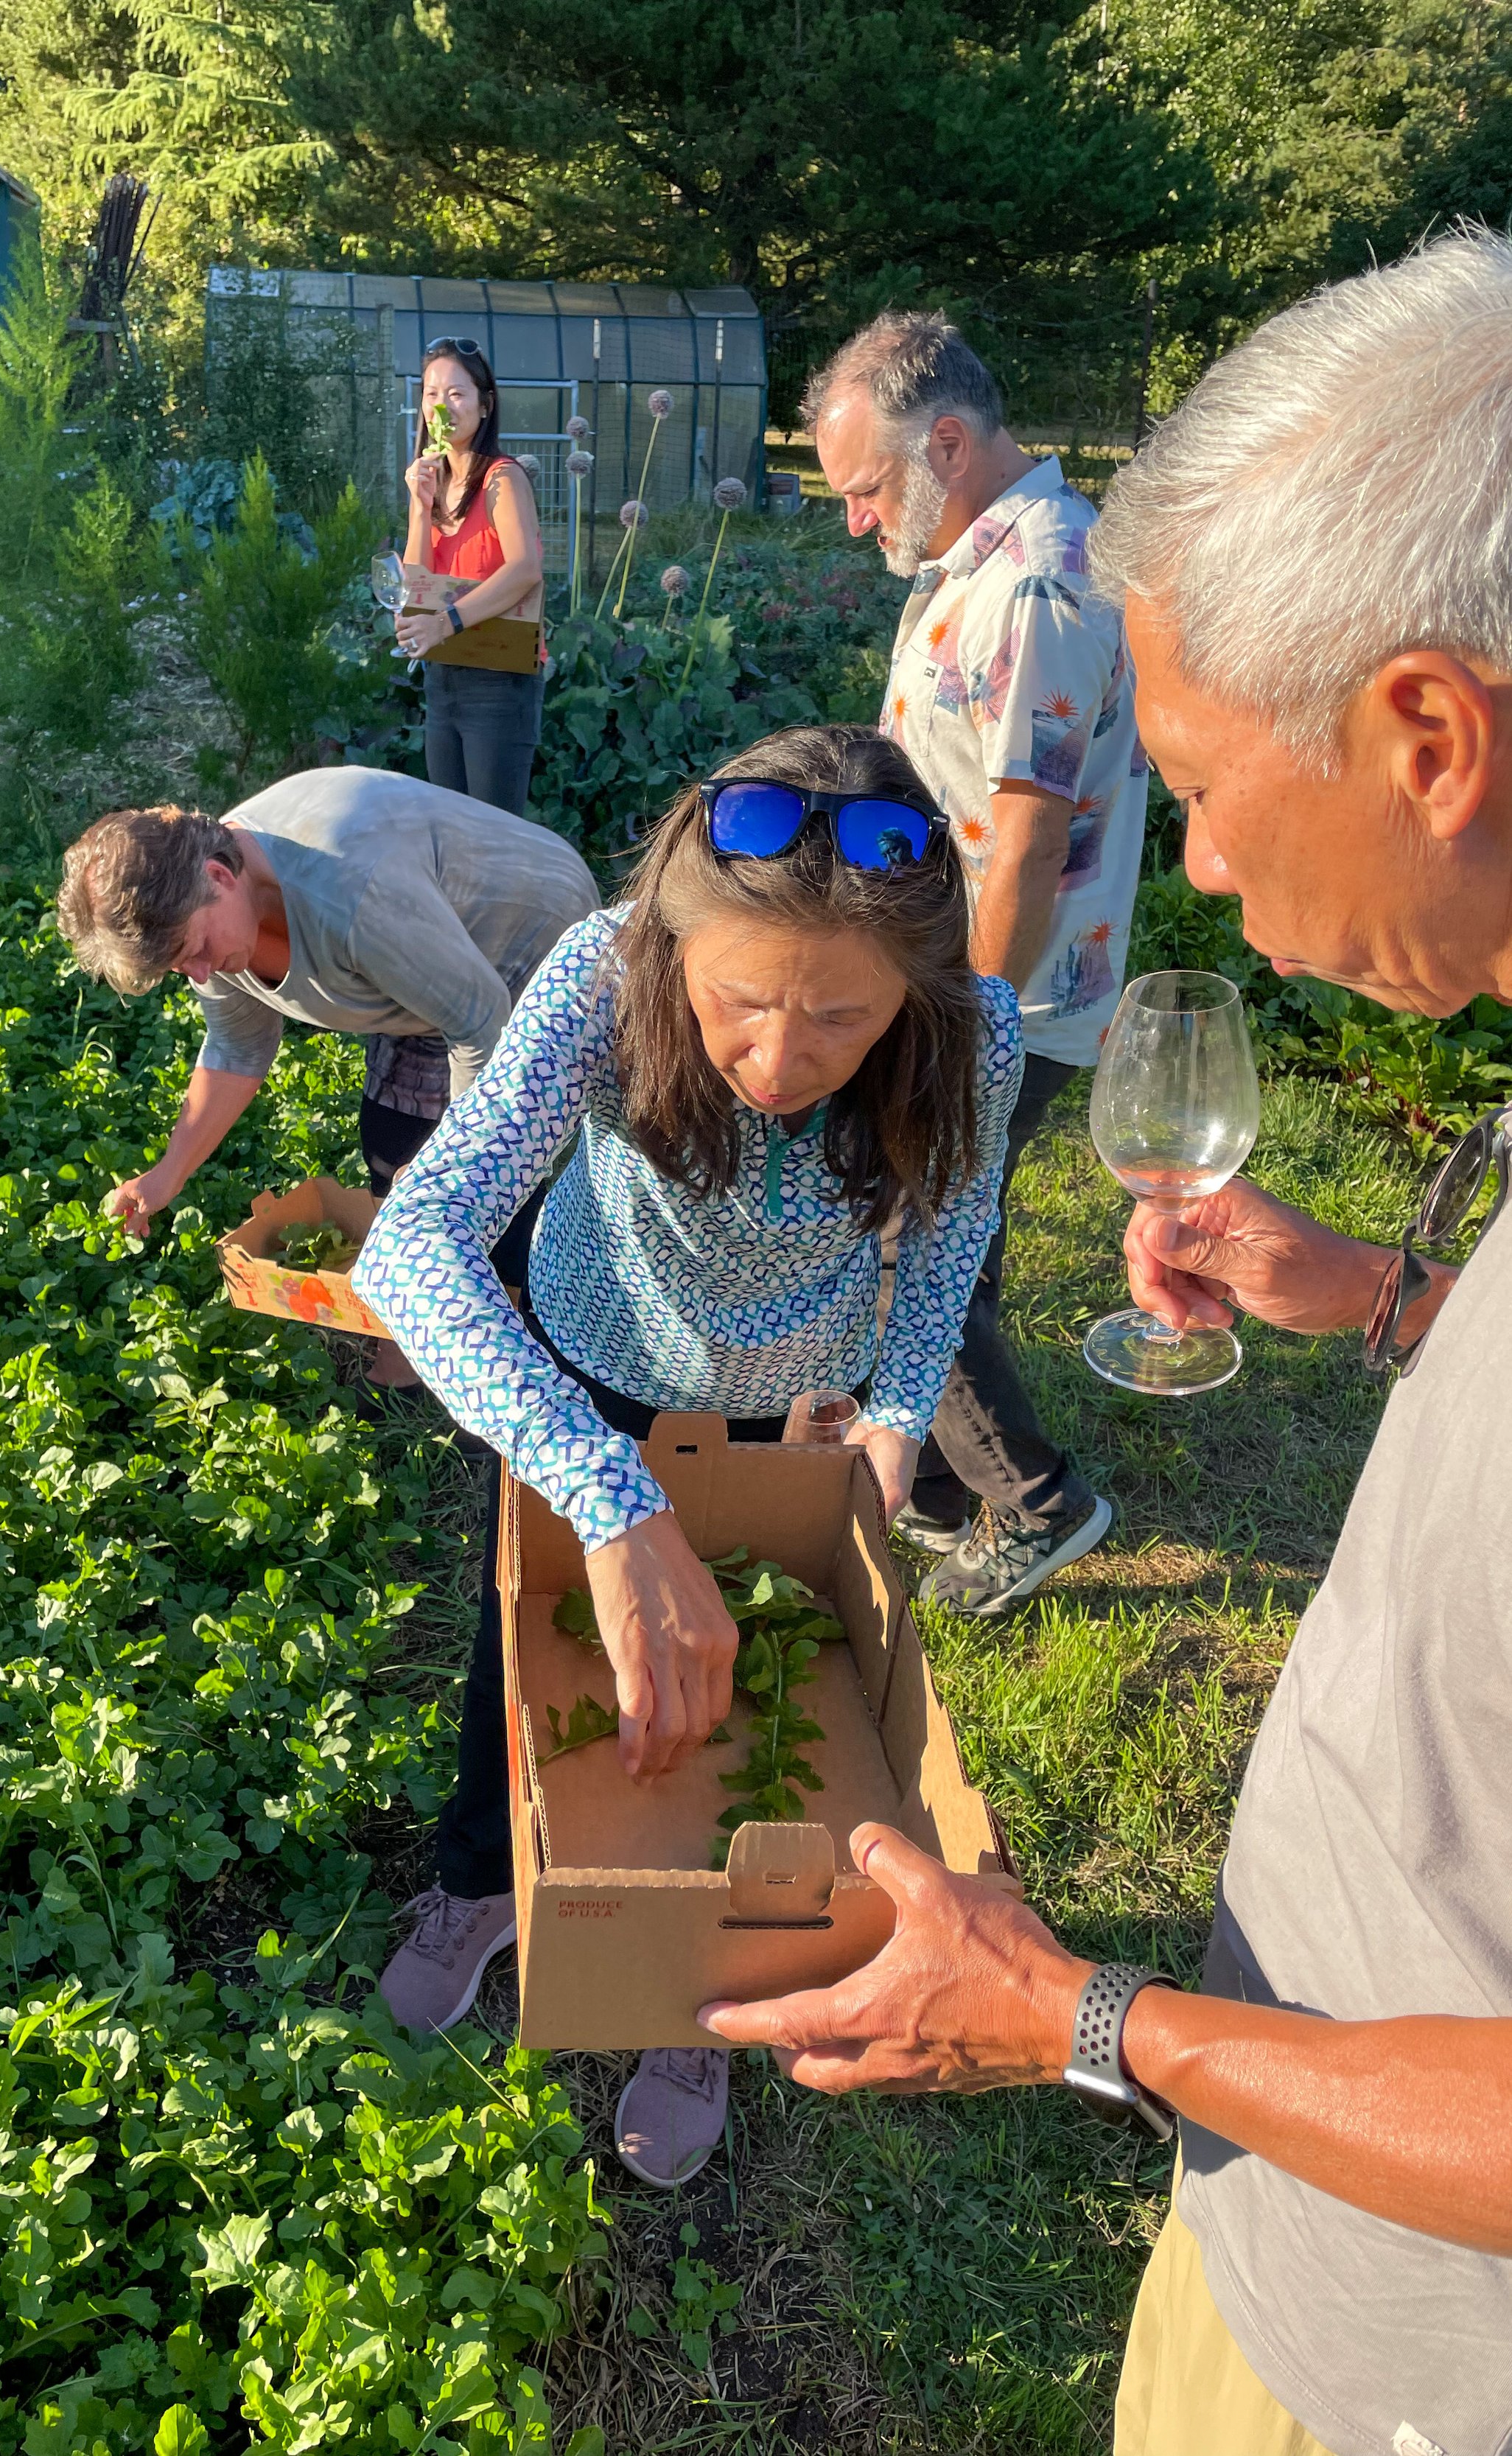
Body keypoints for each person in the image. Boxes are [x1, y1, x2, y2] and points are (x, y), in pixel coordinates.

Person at [701, 232, 1512, 2456]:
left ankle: (1026, 1502)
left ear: (1424, 734)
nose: (1204, 866)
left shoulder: (1034, 583)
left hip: (1413, 2369)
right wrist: (1384, 1298)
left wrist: (1083, 2016)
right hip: (1284, 2200)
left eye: (1209, 780)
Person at [351, 723, 1025, 2187]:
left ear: (912, 992)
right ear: (673, 941)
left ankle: (699, 1989)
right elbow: (413, 1243)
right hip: (587, 1375)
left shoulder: (978, 1026)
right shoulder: (602, 971)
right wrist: (602, 1492)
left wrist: (899, 1419)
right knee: (521, 1654)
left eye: (842, 1021)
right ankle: (480, 1880)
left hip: (798, 1415)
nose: (778, 1061)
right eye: (737, 1003)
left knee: (758, 1700)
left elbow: (949, 1246)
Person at [805, 311, 1146, 1614]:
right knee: (954, 1226)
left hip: (1000, 992)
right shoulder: (981, 557)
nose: (855, 521)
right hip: (965, 979)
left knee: (902, 1239)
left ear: (946, 440)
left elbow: (1028, 843)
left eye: (868, 487)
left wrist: (970, 1036)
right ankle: (944, 1490)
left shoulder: (1036, 585)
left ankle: (1039, 1502)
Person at [54, 769, 598, 1382]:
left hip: (532, 937)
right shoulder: (210, 921)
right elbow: (237, 1045)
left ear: (218, 877)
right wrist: (166, 1173)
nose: (202, 975)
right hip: (429, 968)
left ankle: (510, 1359)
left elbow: (479, 1020)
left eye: (197, 948)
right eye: (182, 967)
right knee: (396, 1143)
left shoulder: (351, 892)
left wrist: (464, 1179)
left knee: (491, 1185)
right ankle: (419, 1334)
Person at [396, 337, 546, 816]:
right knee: (450, 830)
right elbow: (416, 586)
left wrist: (445, 623)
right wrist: (421, 510)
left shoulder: (503, 478)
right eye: (432, 394)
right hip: (445, 680)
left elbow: (525, 569)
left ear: (486, 404)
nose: (442, 405)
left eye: (457, 394)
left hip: (499, 683)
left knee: (494, 837)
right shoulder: (433, 483)